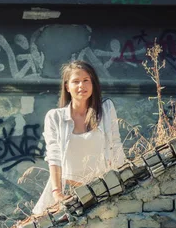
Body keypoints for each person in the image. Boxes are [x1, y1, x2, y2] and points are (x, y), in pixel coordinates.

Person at [33, 60, 126, 215]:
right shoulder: (55, 117)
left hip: (101, 191)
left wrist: (121, 183)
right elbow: (54, 156)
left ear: (93, 84)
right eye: (75, 82)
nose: (81, 86)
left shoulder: (106, 110)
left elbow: (115, 145)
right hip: (68, 192)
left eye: (85, 81)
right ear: (67, 86)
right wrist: (57, 193)